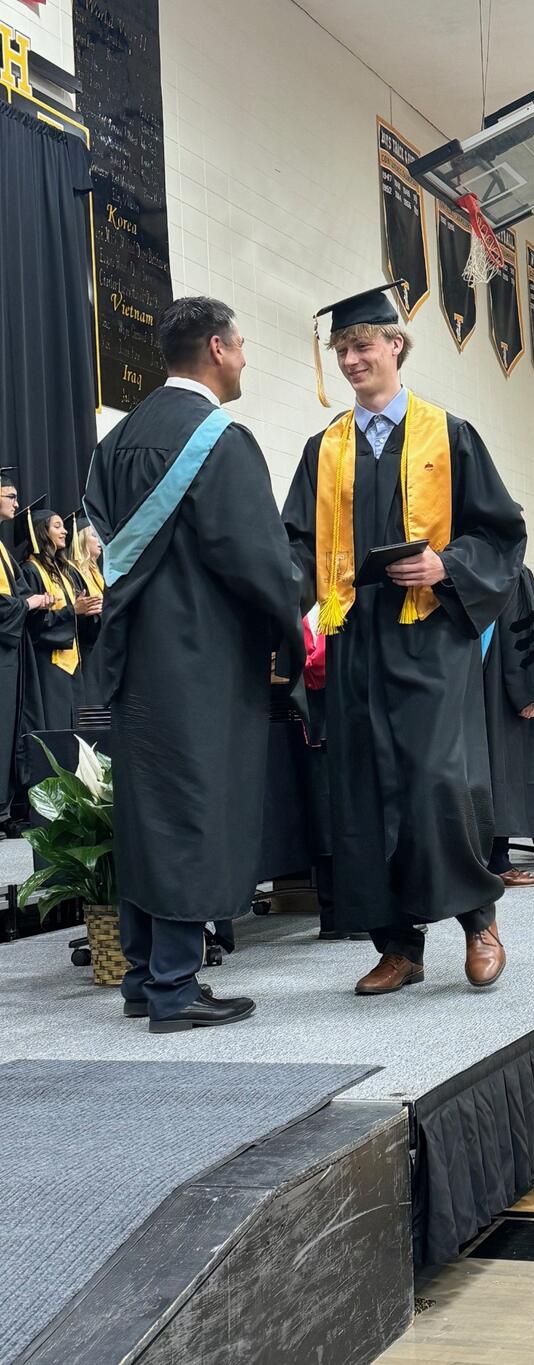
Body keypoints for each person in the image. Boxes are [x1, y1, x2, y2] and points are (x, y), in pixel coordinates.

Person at [284, 282, 525, 995]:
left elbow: (501, 533)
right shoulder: (324, 449)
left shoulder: (449, 435)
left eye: (362, 344)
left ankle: (479, 921)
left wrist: (448, 565)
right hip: (355, 641)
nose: (351, 359)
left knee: (436, 781)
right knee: (366, 790)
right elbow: (296, 544)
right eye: (342, 350)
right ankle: (398, 946)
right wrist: (263, 595)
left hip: (430, 637)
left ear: (395, 344)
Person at [84, 295, 303, 1032]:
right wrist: (297, 607)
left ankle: (143, 975)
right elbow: (255, 560)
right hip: (201, 661)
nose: (243, 358)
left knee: (147, 812)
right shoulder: (219, 440)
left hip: (134, 658)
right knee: (193, 809)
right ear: (215, 347)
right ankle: (176, 986)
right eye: (240, 345)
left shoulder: (118, 440)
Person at [483, 565, 534, 888]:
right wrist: (528, 691)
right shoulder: (510, 571)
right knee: (501, 769)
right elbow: (520, 630)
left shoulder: (452, 564)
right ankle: (497, 860)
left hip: (462, 684)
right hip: (498, 688)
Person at [0, 471, 47, 837]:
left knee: (10, 729)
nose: (17, 503)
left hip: (11, 652)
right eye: (10, 496)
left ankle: (5, 809)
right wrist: (28, 602)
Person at [19, 506, 95, 731]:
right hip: (47, 663)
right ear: (42, 532)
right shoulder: (30, 571)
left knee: (79, 730)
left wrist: (91, 611)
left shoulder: (65, 572)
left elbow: (76, 615)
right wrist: (72, 611)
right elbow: (33, 624)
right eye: (57, 526)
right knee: (56, 727)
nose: (65, 532)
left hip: (73, 662)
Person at [66, 510, 105, 708]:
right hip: (85, 649)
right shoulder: (71, 572)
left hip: (101, 649)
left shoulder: (97, 572)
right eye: (94, 535)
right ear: (81, 540)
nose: (100, 540)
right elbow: (82, 613)